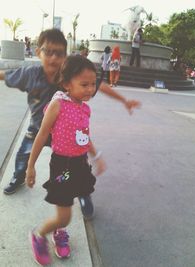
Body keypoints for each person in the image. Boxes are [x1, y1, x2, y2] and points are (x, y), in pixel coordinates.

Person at [0, 28, 141, 219]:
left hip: (66, 132)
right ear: (37, 52)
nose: (53, 58)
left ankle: (83, 193)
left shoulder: (70, 74)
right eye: (48, 51)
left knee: (78, 165)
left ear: (65, 55)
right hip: (38, 128)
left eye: (59, 53)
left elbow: (100, 85)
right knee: (24, 154)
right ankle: (19, 176)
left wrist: (124, 100)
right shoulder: (29, 74)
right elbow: (6, 75)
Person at [25, 54, 106, 265]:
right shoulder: (58, 104)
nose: (90, 89)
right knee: (65, 214)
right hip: (63, 167)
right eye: (84, 84)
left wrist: (96, 156)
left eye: (93, 84)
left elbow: (84, 137)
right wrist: (30, 166)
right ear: (67, 83)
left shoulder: (84, 108)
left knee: (74, 196)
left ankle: (58, 231)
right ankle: (39, 235)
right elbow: (42, 135)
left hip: (79, 164)